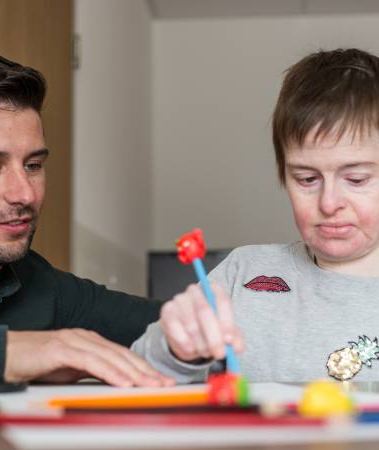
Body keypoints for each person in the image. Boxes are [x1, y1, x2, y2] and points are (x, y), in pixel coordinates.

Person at [0, 53, 233, 387]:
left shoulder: (46, 288)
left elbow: (163, 326)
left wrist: (193, 331)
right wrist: (14, 352)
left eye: (33, 166)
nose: (25, 194)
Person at [140, 48, 379, 383]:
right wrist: (177, 351)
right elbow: (141, 373)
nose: (329, 203)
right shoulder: (244, 274)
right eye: (307, 179)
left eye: (355, 179)